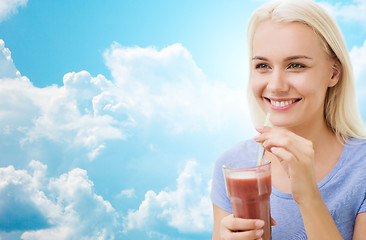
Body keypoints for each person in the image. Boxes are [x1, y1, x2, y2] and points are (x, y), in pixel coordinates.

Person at [210, 0, 366, 239]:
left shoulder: (361, 167)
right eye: (263, 66)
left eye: (295, 65)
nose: (275, 86)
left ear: (333, 73)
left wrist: (308, 196)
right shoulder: (234, 165)